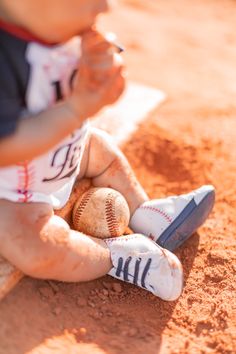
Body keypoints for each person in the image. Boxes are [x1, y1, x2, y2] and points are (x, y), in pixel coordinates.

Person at [0, 0, 215, 301]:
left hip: (68, 152)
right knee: (33, 248)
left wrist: (102, 71)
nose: (105, 6)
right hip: (13, 194)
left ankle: (147, 214)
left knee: (100, 148)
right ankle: (115, 256)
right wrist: (76, 109)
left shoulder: (62, 28)